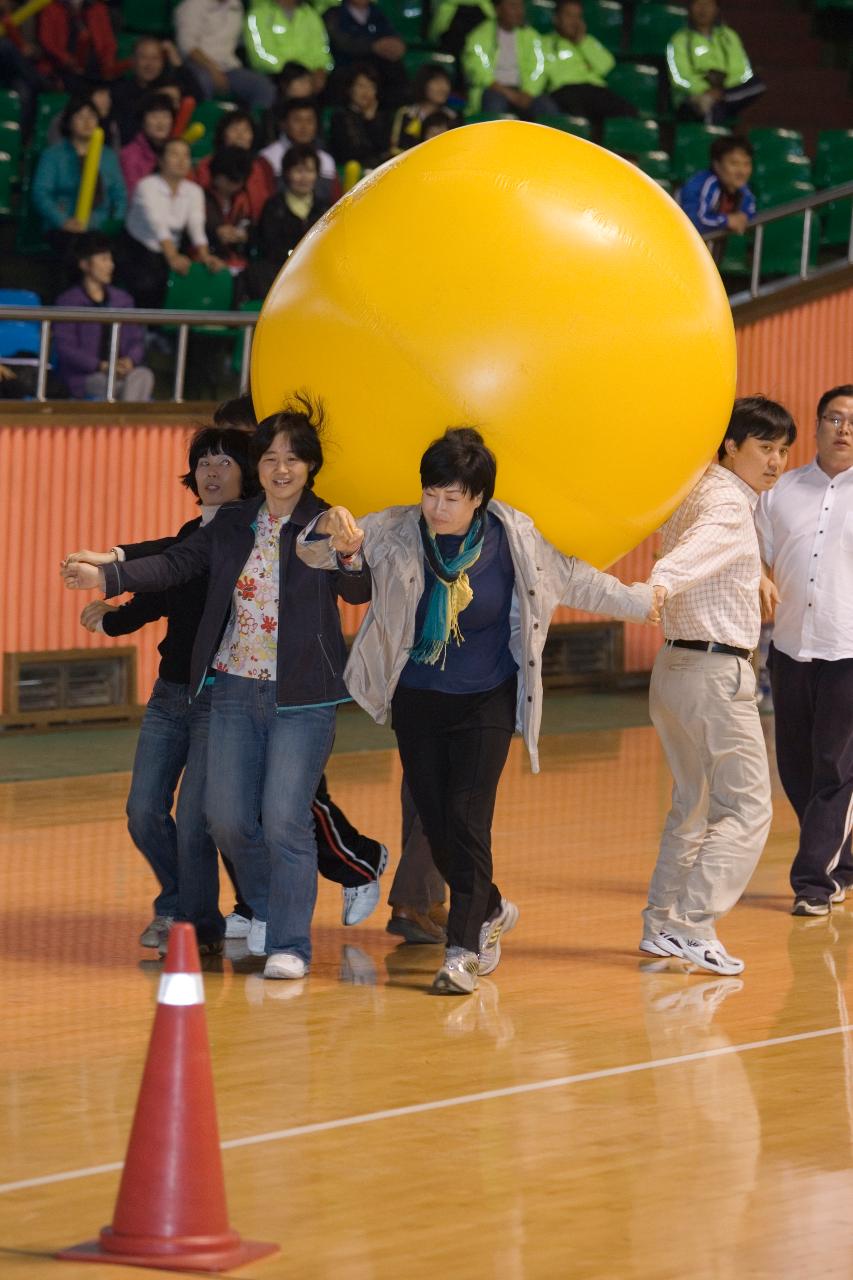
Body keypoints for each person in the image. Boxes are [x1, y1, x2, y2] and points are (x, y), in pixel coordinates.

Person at [297, 427, 658, 994]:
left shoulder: (514, 537)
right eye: (431, 493)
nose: (438, 508)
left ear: (479, 500)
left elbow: (573, 579)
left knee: (467, 818)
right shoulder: (394, 529)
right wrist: (331, 527)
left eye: (453, 497)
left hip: (487, 696)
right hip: (417, 697)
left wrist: (641, 603)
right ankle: (487, 906)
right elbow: (313, 552)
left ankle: (462, 950)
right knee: (436, 825)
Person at [63, 400, 373, 981]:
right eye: (271, 458)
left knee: (284, 819)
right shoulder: (234, 523)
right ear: (258, 466)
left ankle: (290, 943)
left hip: (301, 698)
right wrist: (110, 575)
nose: (281, 469)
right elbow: (177, 563)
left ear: (310, 466)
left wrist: (350, 549)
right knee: (226, 820)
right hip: (230, 687)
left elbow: (357, 592)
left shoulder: (326, 521)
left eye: (292, 459)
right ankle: (265, 905)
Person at [70, 426, 256, 952]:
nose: (212, 471)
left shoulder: (247, 535)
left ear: (246, 472)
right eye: (203, 462)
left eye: (223, 461)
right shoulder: (192, 530)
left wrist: (111, 568)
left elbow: (167, 564)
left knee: (196, 820)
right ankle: (181, 904)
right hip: (170, 693)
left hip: (219, 697)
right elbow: (169, 583)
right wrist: (114, 622)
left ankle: (197, 925)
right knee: (143, 810)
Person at [641, 396, 797, 975]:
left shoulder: (699, 488)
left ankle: (662, 924)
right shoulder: (730, 505)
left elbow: (697, 540)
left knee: (692, 804)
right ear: (730, 445)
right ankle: (692, 925)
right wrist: (658, 584)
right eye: (765, 448)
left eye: (784, 450)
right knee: (750, 807)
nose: (777, 461)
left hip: (674, 671)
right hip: (714, 672)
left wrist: (750, 568)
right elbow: (696, 551)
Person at [755, 385, 853, 917]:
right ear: (816, 427)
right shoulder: (780, 491)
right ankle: (845, 857)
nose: (843, 428)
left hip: (849, 652)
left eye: (852, 422)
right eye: (834, 418)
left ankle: (813, 882)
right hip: (790, 648)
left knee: (835, 766)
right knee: (795, 768)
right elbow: (754, 555)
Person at [121, 136, 226, 309]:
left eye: (186, 155)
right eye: (174, 155)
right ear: (161, 160)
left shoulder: (194, 190)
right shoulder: (147, 186)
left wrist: (205, 256)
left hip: (171, 248)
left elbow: (196, 225)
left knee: (201, 272)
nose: (181, 160)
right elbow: (158, 224)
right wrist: (172, 257)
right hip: (138, 250)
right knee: (154, 279)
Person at [54, 232, 154, 401]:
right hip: (88, 375)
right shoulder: (68, 302)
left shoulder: (123, 299)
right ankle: (127, 425)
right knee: (120, 388)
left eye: (111, 260)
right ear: (85, 264)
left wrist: (130, 360)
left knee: (143, 375)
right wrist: (102, 366)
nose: (111, 265)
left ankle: (123, 424)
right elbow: (66, 349)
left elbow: (136, 340)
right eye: (104, 259)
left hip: (122, 373)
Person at [31, 96, 126, 261]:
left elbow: (120, 194)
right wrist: (63, 221)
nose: (87, 121)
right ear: (68, 122)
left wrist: (115, 221)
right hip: (65, 225)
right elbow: (41, 193)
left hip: (101, 225)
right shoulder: (53, 155)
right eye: (80, 116)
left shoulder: (109, 156)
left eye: (91, 116)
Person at [245, 143, 328, 298]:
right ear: (286, 173)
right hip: (280, 272)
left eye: (309, 171)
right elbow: (269, 245)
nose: (304, 177)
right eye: (298, 171)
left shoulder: (325, 208)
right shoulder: (273, 206)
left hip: (317, 272)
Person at [542, 0, 637, 134]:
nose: (574, 21)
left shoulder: (587, 41)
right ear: (556, 19)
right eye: (569, 15)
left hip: (594, 89)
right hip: (564, 89)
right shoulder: (545, 42)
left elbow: (606, 65)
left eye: (577, 16)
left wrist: (582, 42)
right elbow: (550, 73)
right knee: (578, 117)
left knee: (628, 111)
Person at [666, 0, 765, 125]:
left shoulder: (729, 36)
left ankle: (719, 99)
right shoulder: (679, 40)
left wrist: (719, 92)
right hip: (692, 98)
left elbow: (743, 71)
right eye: (698, 4)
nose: (703, 9)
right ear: (690, 8)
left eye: (708, 4)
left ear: (716, 9)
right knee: (711, 107)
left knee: (756, 85)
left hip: (726, 91)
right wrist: (704, 90)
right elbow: (679, 78)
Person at [173, 0, 275, 111]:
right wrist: (213, 70)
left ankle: (251, 125)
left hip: (229, 67)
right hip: (197, 65)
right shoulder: (192, 5)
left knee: (263, 86)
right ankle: (204, 124)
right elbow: (187, 46)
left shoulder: (236, 5)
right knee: (201, 82)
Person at [462, 0, 549, 118]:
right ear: (498, 10)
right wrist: (508, 94)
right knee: (495, 104)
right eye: (513, 6)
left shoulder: (531, 36)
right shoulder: (480, 35)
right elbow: (479, 71)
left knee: (547, 107)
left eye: (520, 6)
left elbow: (539, 67)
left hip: (523, 91)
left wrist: (529, 92)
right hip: (494, 89)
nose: (518, 11)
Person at [194, 109, 276, 222]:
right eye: (234, 129)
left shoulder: (262, 165)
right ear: (223, 134)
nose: (240, 135)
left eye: (246, 130)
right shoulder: (207, 164)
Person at [678, 134, 756, 251]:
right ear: (717, 165)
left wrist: (743, 217)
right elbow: (693, 221)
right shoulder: (700, 185)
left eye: (746, 164)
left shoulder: (743, 189)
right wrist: (726, 221)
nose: (742, 171)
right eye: (734, 163)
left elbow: (750, 213)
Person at [324, 0, 408, 107]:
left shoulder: (376, 12)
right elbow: (342, 43)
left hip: (376, 67)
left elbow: (391, 34)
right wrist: (373, 46)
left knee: (395, 68)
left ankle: (394, 114)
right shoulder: (334, 14)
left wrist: (397, 44)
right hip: (345, 66)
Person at [112, 36, 192, 145]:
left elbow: (198, 95)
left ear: (163, 62)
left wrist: (177, 63)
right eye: (144, 58)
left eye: (155, 58)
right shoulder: (121, 89)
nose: (149, 64)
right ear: (133, 61)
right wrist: (156, 96)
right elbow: (128, 127)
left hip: (166, 154)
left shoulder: (169, 85)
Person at [260, 96, 339, 203]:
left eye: (309, 121)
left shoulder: (326, 160)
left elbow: (337, 203)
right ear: (283, 124)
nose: (304, 127)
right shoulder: (268, 158)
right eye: (297, 120)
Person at [243, 0, 331, 91]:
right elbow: (260, 55)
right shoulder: (258, 14)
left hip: (308, 74)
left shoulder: (310, 14)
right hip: (274, 74)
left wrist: (321, 69)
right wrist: (294, 73)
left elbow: (321, 50)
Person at [36, 0, 123, 91]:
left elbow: (108, 43)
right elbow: (47, 42)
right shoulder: (51, 9)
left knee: (118, 86)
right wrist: (68, 60)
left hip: (95, 67)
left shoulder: (98, 9)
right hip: (63, 68)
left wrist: (108, 63)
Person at [203, 146, 256, 271]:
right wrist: (215, 232)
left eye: (237, 181)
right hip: (207, 259)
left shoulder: (244, 199)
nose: (231, 185)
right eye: (227, 180)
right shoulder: (201, 197)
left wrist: (244, 236)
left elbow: (253, 229)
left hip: (238, 261)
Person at [328, 64, 391, 169]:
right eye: (361, 86)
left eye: (371, 86)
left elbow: (384, 149)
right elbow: (350, 152)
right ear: (350, 89)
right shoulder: (340, 117)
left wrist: (371, 120)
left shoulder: (382, 117)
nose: (366, 91)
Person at [119, 92, 177, 200]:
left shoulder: (175, 150)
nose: (161, 123)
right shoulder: (129, 154)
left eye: (166, 116)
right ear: (143, 121)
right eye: (154, 116)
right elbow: (134, 195)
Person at [390, 63, 457, 154]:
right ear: (423, 84)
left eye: (446, 82)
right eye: (437, 82)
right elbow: (395, 149)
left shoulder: (452, 117)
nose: (444, 88)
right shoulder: (406, 114)